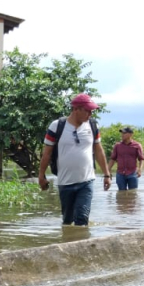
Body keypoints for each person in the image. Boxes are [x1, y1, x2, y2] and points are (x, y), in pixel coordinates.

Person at [37, 93, 111, 225]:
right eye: (87, 111)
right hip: (65, 182)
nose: (90, 114)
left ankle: (83, 243)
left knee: (82, 219)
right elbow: (47, 154)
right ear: (76, 109)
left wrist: (107, 175)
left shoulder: (93, 125)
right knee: (67, 221)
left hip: (86, 181)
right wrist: (41, 175)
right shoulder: (57, 126)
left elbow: (99, 151)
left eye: (91, 111)